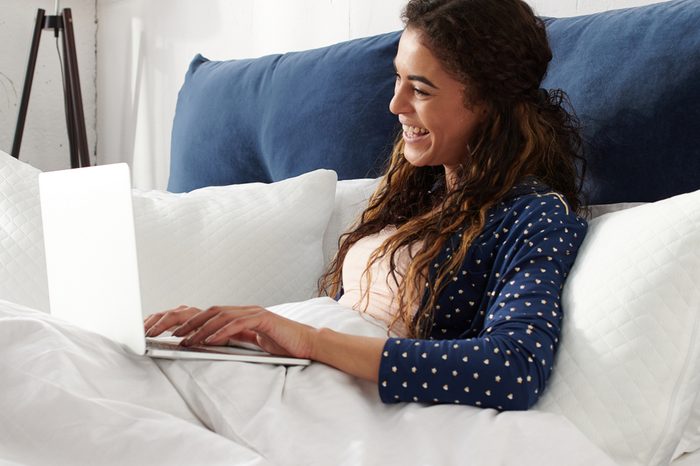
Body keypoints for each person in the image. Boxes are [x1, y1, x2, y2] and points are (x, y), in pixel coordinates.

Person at [144, 0, 588, 411]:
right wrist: (237, 333)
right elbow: (344, 320)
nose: (395, 104)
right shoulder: (415, 196)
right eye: (398, 78)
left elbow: (514, 369)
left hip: (359, 405)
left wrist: (309, 342)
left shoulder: (534, 216)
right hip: (309, 382)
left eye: (421, 89)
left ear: (488, 103)